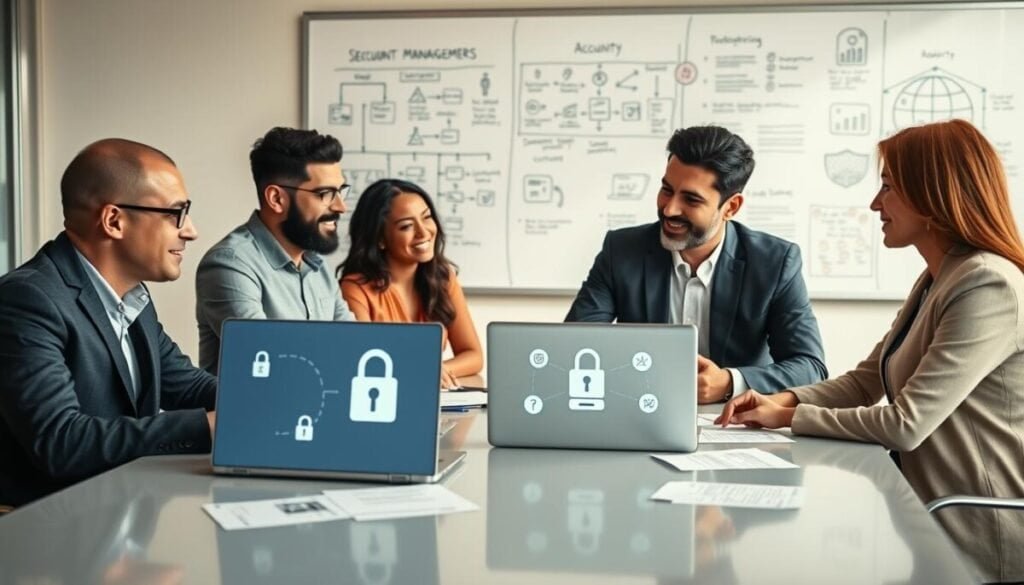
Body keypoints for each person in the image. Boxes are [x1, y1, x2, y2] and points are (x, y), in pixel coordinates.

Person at [718, 119, 1024, 584]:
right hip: (932, 526)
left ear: (932, 194)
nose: (875, 204)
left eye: (888, 187)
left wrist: (786, 418)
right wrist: (779, 400)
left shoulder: (987, 285)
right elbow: (866, 381)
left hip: (980, 537)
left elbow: (905, 425)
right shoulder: (939, 278)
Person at [0, 139, 216, 507]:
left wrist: (261, 400)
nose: (190, 231)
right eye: (175, 213)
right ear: (114, 220)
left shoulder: (132, 298)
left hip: (116, 512)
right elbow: (61, 440)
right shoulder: (27, 299)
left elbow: (186, 385)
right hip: (46, 528)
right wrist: (208, 427)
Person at [566, 125, 827, 403]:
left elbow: (810, 368)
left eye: (691, 199)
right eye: (667, 190)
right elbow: (574, 345)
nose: (670, 209)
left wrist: (729, 382)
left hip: (736, 418)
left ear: (731, 207)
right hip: (642, 407)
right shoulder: (621, 250)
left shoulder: (775, 262)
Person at [195, 127, 354, 373]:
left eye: (340, 191)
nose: (341, 206)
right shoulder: (229, 264)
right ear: (277, 199)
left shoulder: (318, 266)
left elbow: (355, 346)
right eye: (325, 194)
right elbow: (270, 359)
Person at [338, 179, 482, 389]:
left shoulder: (443, 278)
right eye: (406, 226)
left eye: (427, 217)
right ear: (380, 239)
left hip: (431, 398)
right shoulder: (356, 289)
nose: (424, 232)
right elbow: (364, 358)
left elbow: (474, 355)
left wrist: (435, 370)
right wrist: (424, 369)